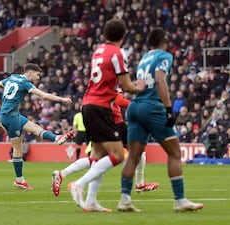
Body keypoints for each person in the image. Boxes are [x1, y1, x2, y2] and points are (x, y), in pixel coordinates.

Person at [117, 27, 204, 213]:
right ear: (164, 39)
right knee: (174, 153)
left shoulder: (144, 58)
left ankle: (124, 200)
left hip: (134, 107)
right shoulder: (165, 56)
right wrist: (168, 109)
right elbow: (159, 79)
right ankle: (180, 200)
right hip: (152, 107)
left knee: (133, 156)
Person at [67, 18, 146, 212]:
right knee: (118, 155)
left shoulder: (99, 50)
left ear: (105, 35)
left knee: (98, 155)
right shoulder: (117, 53)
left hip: (88, 104)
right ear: (124, 35)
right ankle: (79, 184)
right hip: (101, 107)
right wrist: (141, 89)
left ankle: (91, 201)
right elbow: (127, 86)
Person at [0, 63, 75, 190]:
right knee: (18, 149)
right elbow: (43, 96)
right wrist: (62, 99)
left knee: (35, 128)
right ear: (30, 72)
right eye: (37, 75)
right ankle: (19, 180)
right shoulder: (25, 83)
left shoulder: (13, 77)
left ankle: (57, 138)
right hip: (10, 117)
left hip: (12, 115)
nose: (38, 78)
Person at [51, 92, 158, 199]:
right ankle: (138, 185)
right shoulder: (114, 78)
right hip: (113, 123)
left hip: (96, 119)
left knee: (95, 158)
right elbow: (119, 101)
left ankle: (63, 174)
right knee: (138, 149)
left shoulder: (97, 83)